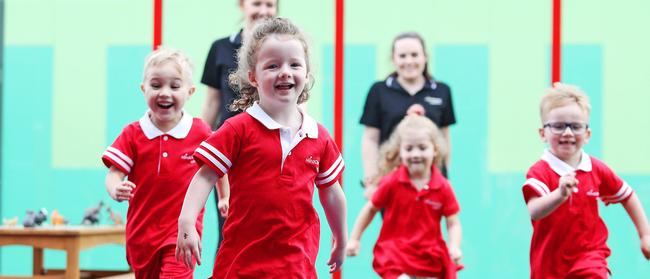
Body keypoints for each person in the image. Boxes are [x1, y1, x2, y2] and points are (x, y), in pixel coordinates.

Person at [176, 18, 347, 278]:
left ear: (307, 73)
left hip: (296, 265)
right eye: (273, 65)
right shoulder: (238, 129)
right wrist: (186, 221)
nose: (285, 72)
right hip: (242, 263)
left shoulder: (318, 136)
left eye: (295, 64)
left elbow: (332, 192)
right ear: (253, 77)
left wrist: (341, 237)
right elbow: (205, 176)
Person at [102, 47, 211, 278]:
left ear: (190, 91)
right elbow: (114, 173)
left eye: (174, 86)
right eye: (156, 85)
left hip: (181, 231)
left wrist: (225, 198)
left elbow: (217, 169)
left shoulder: (200, 131)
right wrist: (115, 189)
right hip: (142, 234)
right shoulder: (133, 133)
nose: (164, 93)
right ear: (143, 89)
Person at [522, 83, 650, 279]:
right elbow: (535, 211)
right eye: (558, 126)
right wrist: (560, 194)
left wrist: (644, 234)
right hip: (549, 265)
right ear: (543, 133)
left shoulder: (596, 168)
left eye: (575, 127)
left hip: (590, 257)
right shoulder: (540, 171)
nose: (567, 133)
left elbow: (627, 194)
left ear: (587, 134)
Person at [200, 0, 279, 253]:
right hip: (229, 155)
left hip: (271, 152)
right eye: (257, 3)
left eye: (270, 4)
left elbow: (298, 101)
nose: (264, 10)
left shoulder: (285, 48)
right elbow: (212, 104)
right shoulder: (221, 48)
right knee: (230, 228)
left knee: (271, 231)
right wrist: (199, 145)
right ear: (242, 5)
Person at [346, 114, 463, 279]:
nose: (415, 154)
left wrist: (454, 246)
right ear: (399, 151)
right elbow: (371, 209)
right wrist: (354, 238)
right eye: (409, 149)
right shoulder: (392, 182)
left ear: (435, 149)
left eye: (422, 148)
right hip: (396, 255)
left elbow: (453, 222)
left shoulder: (443, 186)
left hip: (429, 257)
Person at [360, 32, 456, 199]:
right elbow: (370, 138)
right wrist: (372, 181)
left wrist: (444, 177)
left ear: (425, 57)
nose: (409, 61)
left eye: (414, 55)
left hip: (430, 180)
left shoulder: (442, 91)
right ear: (394, 59)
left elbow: (444, 137)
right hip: (391, 179)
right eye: (402, 56)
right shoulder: (379, 91)